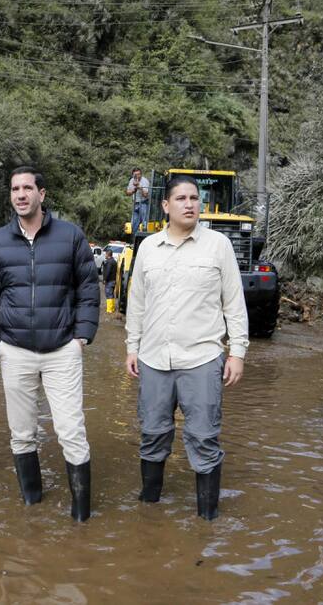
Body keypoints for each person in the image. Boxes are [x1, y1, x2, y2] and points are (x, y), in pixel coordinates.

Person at [0, 165, 99, 522]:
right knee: (21, 434)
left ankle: (81, 516)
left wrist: (82, 337)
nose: (21, 195)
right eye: (15, 189)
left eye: (28, 188)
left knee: (71, 431)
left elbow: (89, 290)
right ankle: (33, 506)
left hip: (62, 349)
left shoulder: (70, 236)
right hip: (14, 350)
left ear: (42, 194)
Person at [124, 175, 248, 521]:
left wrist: (237, 352)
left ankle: (207, 520)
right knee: (152, 434)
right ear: (166, 206)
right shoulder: (148, 247)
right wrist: (132, 346)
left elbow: (234, 304)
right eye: (181, 198)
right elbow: (137, 303)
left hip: (202, 358)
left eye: (194, 198)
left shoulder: (218, 245)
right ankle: (149, 511)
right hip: (153, 359)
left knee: (204, 438)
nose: (190, 204)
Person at [125, 167, 151, 232]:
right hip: (135, 203)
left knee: (144, 223)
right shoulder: (131, 180)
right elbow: (127, 193)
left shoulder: (145, 181)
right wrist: (133, 190)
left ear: (141, 174)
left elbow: (146, 195)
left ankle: (143, 238)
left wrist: (140, 187)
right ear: (132, 175)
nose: (137, 176)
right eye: (135, 175)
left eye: (138, 174)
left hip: (143, 203)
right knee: (133, 224)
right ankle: (134, 239)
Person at [101, 248, 118, 314]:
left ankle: (109, 309)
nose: (105, 255)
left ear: (107, 254)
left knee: (109, 295)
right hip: (113, 280)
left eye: (105, 254)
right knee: (111, 294)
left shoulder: (109, 262)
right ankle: (112, 308)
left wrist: (105, 279)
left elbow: (107, 272)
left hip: (109, 281)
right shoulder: (114, 261)